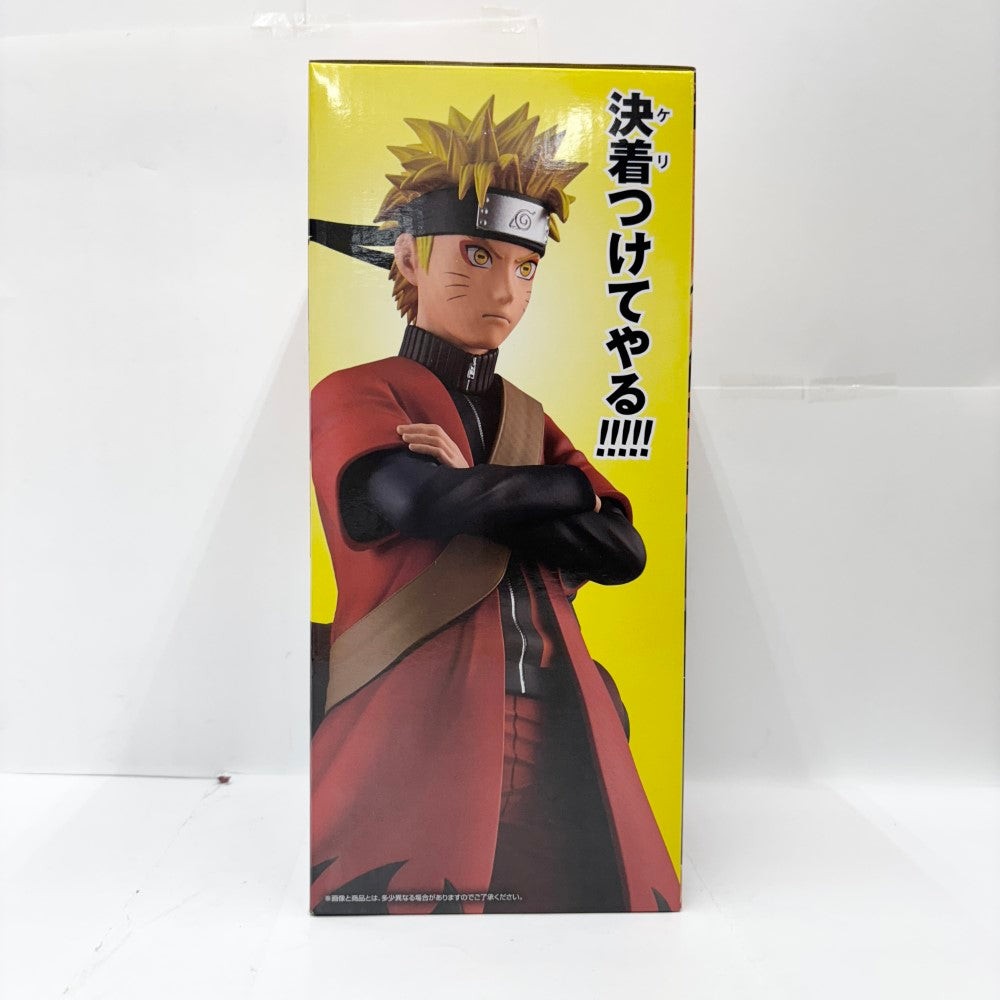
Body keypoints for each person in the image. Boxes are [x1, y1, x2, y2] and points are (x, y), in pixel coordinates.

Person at [309, 97, 679, 913]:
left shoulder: (529, 417)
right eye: (476, 255)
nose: (504, 290)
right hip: (413, 728)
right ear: (408, 258)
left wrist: (489, 485)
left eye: (526, 266)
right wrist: (562, 492)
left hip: (567, 732)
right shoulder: (356, 391)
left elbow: (622, 551)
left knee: (601, 912)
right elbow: (418, 505)